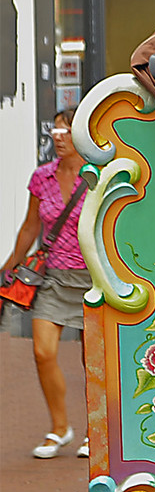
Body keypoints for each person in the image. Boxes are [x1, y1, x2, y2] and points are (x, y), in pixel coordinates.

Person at [2, 110, 92, 458]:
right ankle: (59, 428)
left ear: (82, 134)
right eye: (55, 130)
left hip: (92, 279)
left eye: (66, 130)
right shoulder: (41, 178)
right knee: (43, 351)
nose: (58, 136)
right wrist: (9, 266)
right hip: (53, 278)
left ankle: (93, 432)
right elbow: (29, 227)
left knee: (92, 361)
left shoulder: (100, 175)